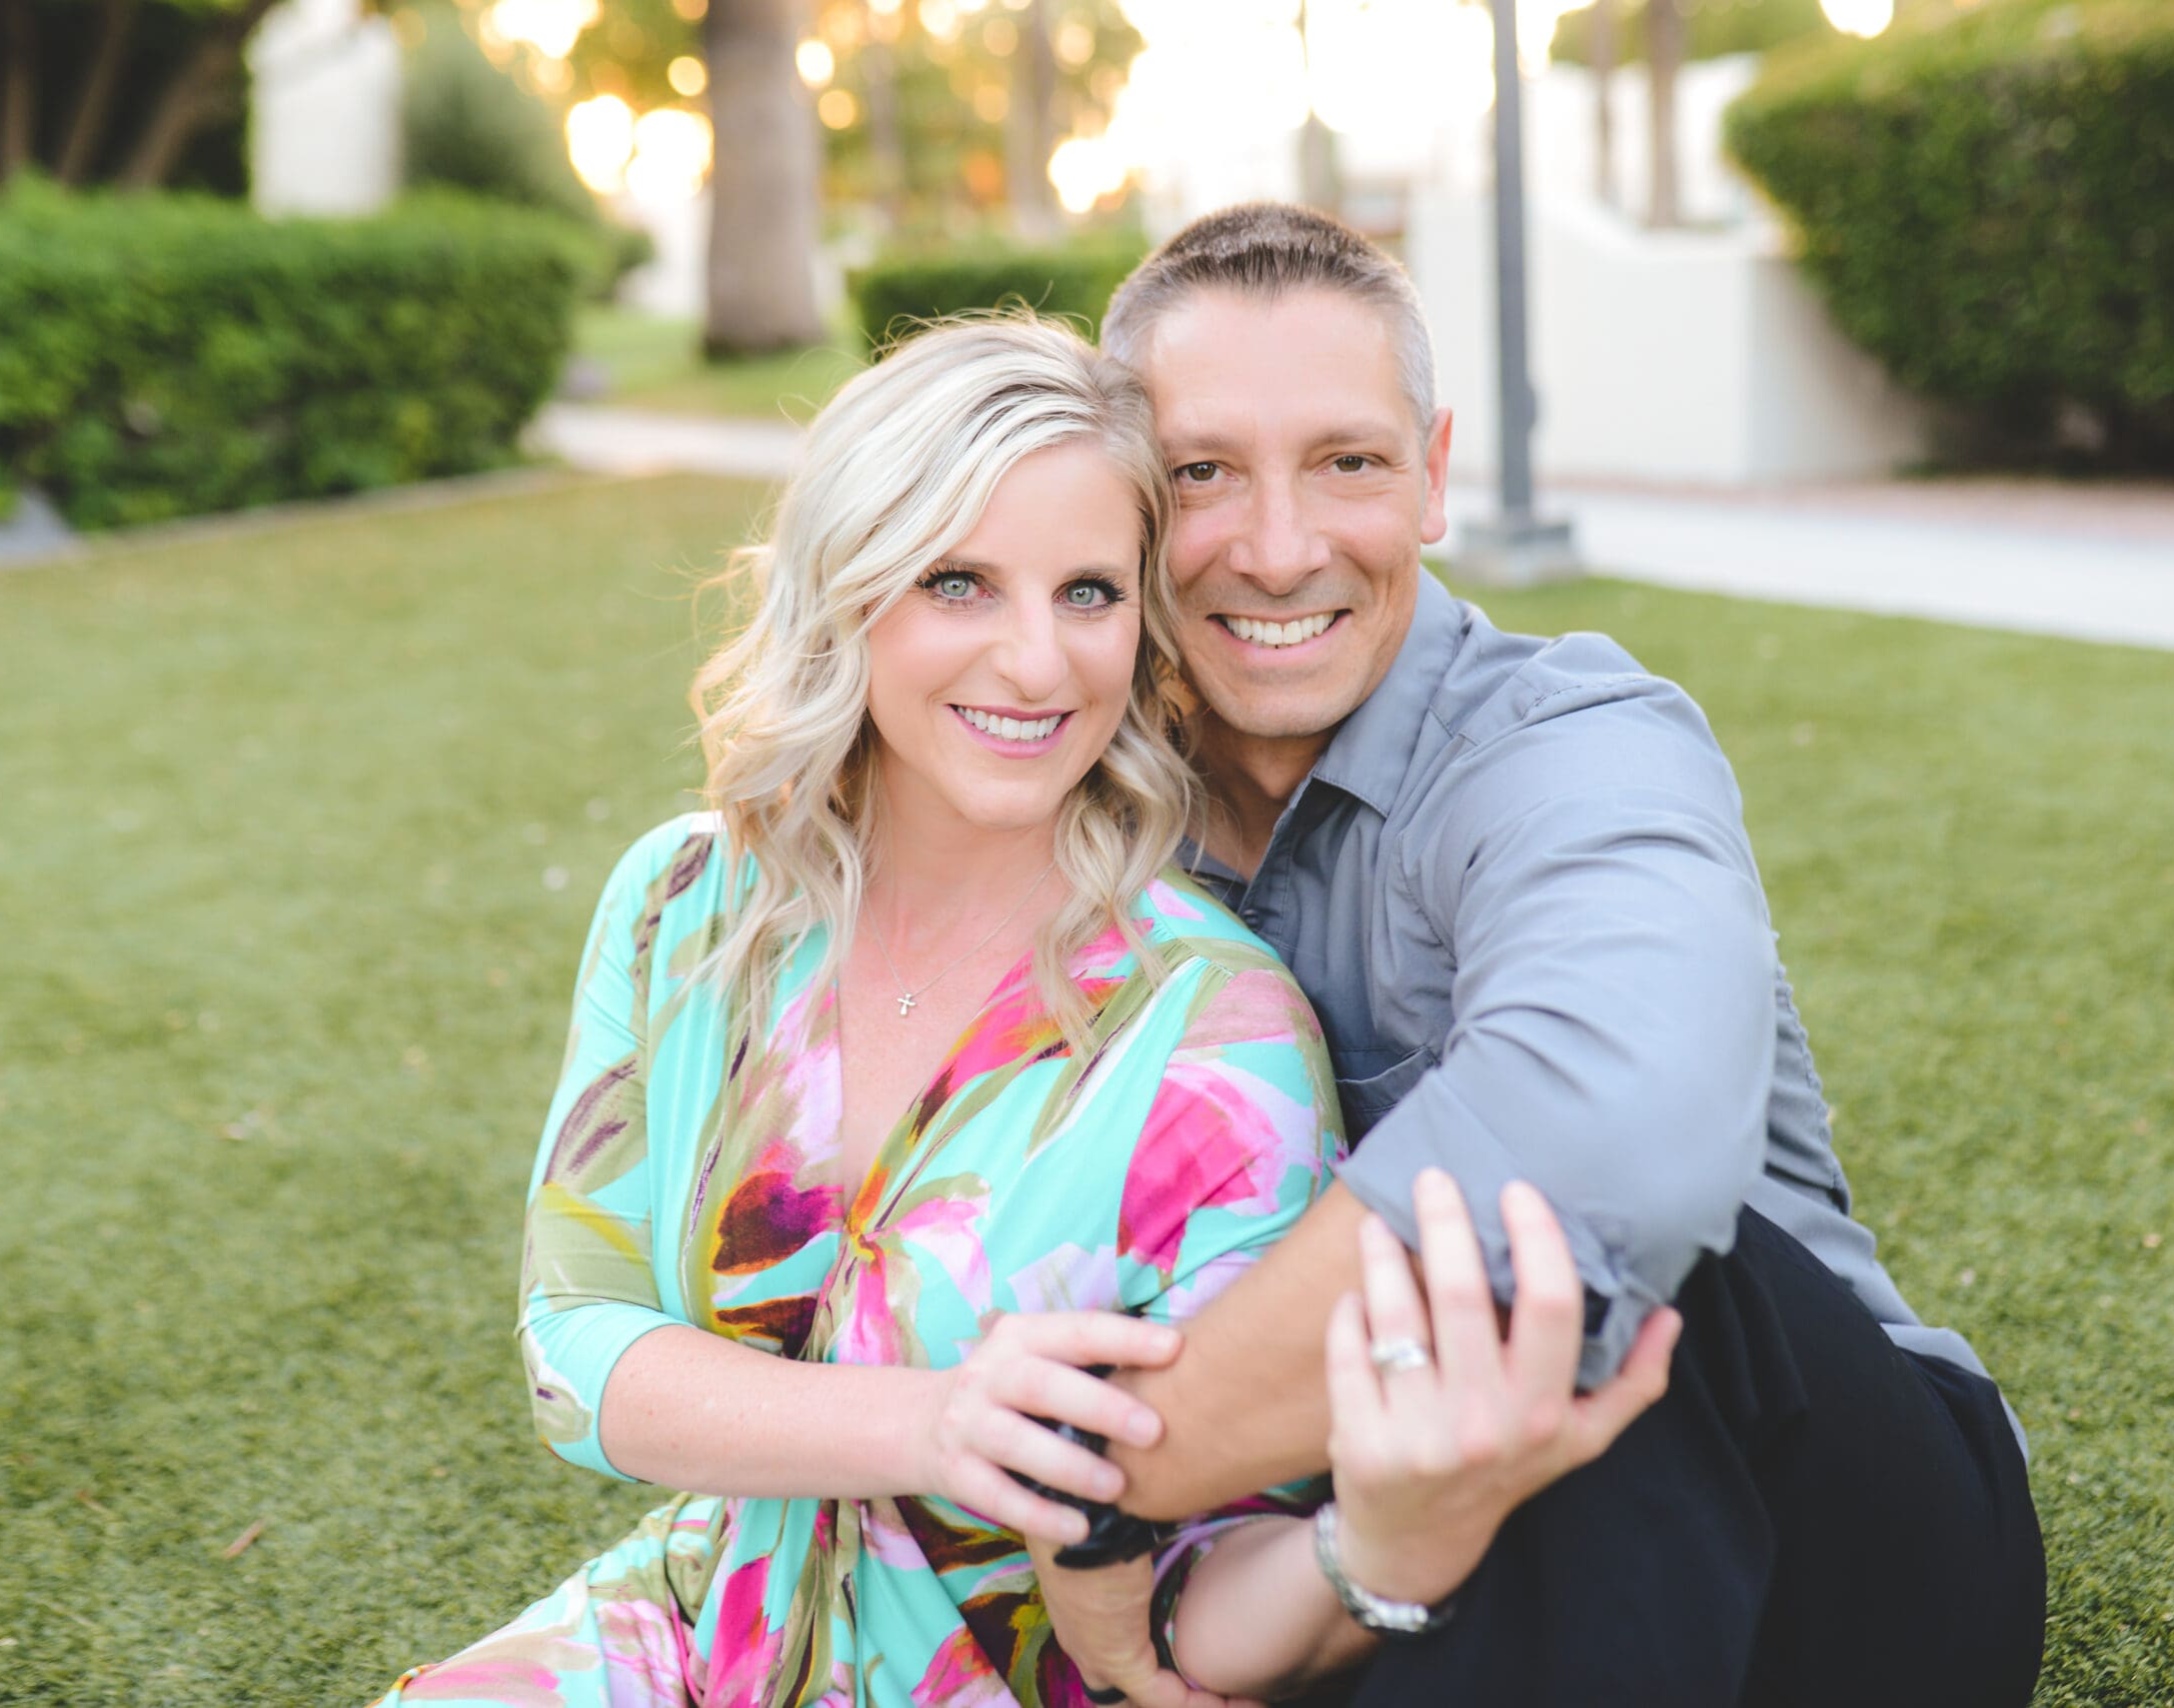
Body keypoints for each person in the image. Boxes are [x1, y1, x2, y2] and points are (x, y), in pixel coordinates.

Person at [363, 316, 1649, 1708]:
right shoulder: (688, 907)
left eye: (1088, 592)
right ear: (850, 591)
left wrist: (1388, 1539)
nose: (1037, 665)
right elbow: (579, 1343)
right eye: (961, 581)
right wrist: (934, 1419)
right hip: (698, 1620)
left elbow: (1204, 1590)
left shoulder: (1214, 1042)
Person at [1026, 204, 2048, 1708]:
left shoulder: (1574, 740)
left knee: (1591, 1287)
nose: (1281, 546)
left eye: (1348, 462)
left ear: (1433, 475)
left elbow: (1608, 1147)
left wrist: (1108, 1483)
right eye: (1200, 476)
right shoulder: (1079, 804)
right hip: (1379, 1553)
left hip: (1837, 1544)